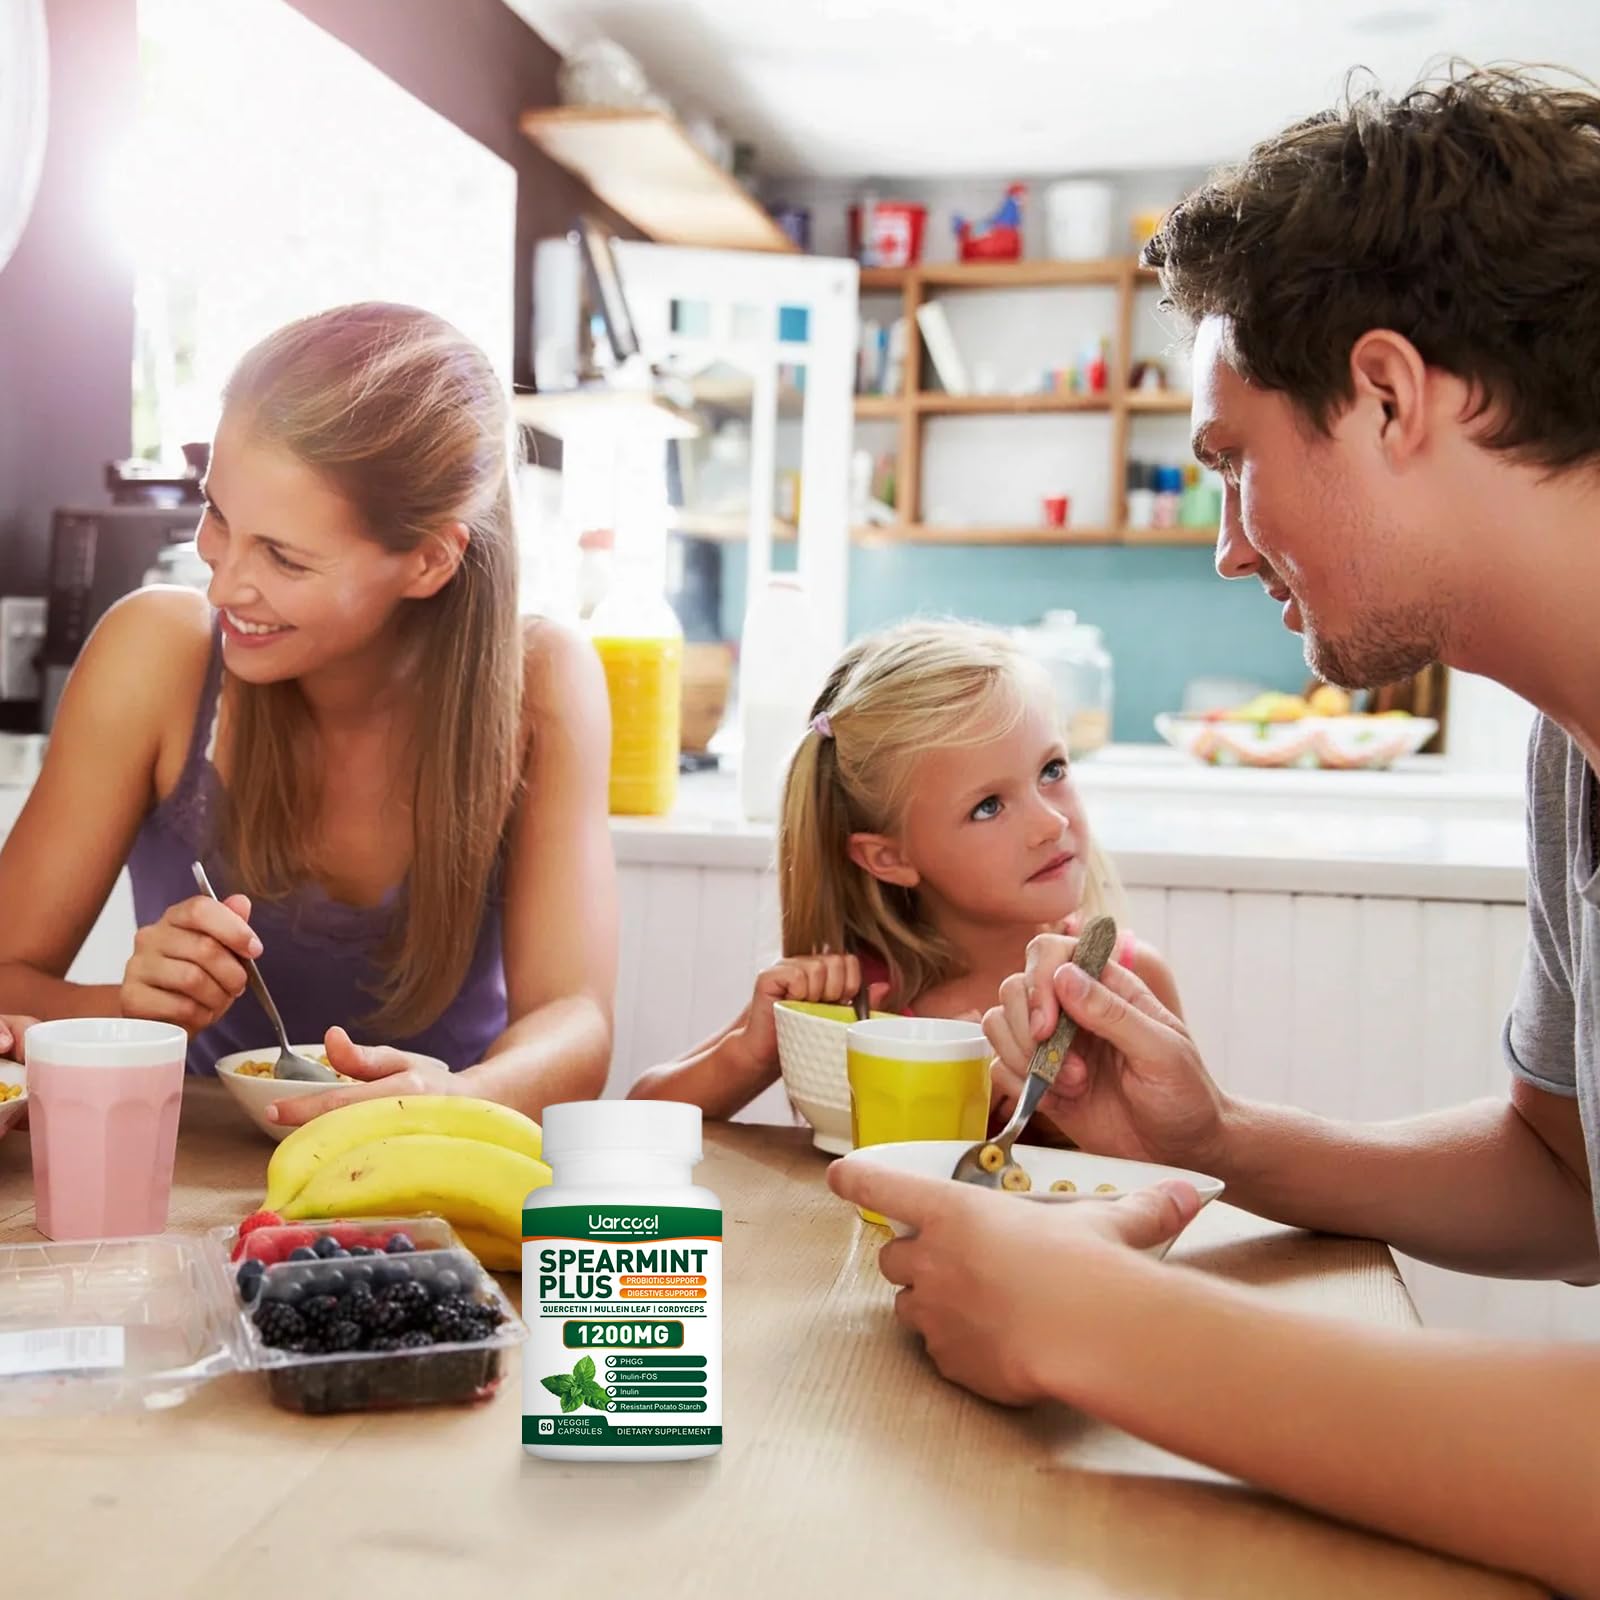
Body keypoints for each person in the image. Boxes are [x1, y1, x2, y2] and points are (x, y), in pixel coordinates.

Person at [830, 66, 1600, 1596]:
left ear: (1388, 394)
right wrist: (1220, 1142)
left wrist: (1103, 1326)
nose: (1234, 544)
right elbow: (1564, 1180)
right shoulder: (1567, 757)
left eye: (1235, 460)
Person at [0, 303, 617, 1125]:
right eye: (218, 514)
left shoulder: (543, 681)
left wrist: (459, 1098)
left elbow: (577, 1020)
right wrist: (129, 1005)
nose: (222, 585)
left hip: (443, 1156)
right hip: (189, 1161)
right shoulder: (157, 655)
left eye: (284, 557)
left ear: (430, 559)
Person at [629, 619, 1180, 1117]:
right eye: (988, 806)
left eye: (1052, 769)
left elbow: (1185, 1161)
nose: (1050, 824)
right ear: (889, 858)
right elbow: (638, 1121)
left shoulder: (1125, 982)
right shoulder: (857, 1003)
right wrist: (754, 1048)